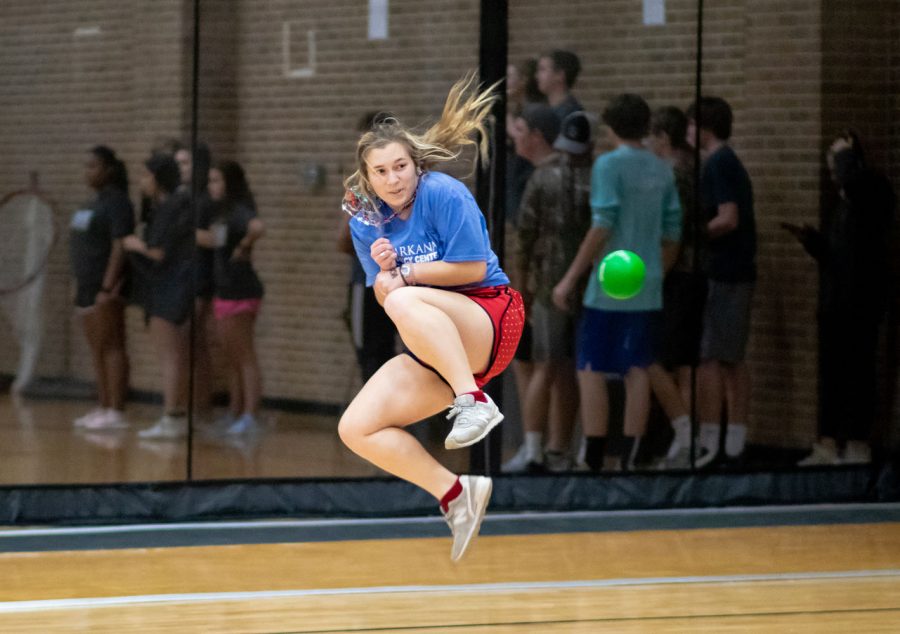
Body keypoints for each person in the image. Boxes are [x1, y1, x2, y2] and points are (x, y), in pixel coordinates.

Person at [337, 74, 525, 562]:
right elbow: (385, 295)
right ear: (367, 176)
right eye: (381, 171)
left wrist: (403, 274)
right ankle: (456, 493)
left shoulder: (443, 193)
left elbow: (472, 267)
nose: (393, 178)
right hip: (438, 346)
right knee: (356, 428)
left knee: (403, 299)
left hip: (489, 316)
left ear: (416, 166)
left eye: (401, 166)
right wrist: (383, 276)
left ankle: (473, 400)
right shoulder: (365, 219)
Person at [552, 94, 681, 472]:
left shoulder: (608, 165)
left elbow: (602, 223)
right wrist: (657, 270)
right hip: (648, 278)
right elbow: (673, 230)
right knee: (637, 365)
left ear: (610, 128)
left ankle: (594, 452)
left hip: (611, 278)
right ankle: (633, 451)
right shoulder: (662, 169)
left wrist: (569, 278)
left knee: (590, 364)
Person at [787, 132, 895, 465]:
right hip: (836, 301)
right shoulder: (844, 206)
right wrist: (814, 243)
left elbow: (864, 252)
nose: (833, 171)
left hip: (861, 302)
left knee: (859, 374)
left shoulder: (874, 191)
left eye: (837, 163)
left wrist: (846, 154)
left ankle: (857, 442)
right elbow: (839, 256)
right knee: (833, 376)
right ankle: (829, 442)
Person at [503, 107, 592, 473]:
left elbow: (524, 237)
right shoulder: (598, 176)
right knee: (573, 368)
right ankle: (561, 449)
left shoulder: (543, 178)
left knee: (544, 366)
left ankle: (535, 448)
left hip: (545, 285)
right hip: (590, 286)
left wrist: (520, 288)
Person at [687, 97, 757, 466]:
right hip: (734, 270)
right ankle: (732, 441)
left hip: (726, 271)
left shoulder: (718, 163)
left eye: (692, 124)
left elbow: (728, 217)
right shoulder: (724, 163)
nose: (688, 132)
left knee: (714, 357)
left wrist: (692, 234)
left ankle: (716, 442)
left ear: (704, 126)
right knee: (728, 357)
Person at [646, 106, 706, 467]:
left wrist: (658, 276)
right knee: (682, 362)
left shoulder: (676, 173)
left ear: (663, 138)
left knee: (652, 358)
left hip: (677, 276)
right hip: (687, 275)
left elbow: (674, 234)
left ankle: (687, 433)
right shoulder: (690, 169)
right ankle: (686, 439)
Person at [123, 153, 194, 440]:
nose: (142, 182)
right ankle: (174, 414)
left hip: (169, 287)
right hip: (165, 287)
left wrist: (134, 244)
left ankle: (172, 415)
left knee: (170, 356)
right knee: (172, 354)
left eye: (146, 175)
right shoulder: (166, 207)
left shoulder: (172, 208)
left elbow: (158, 252)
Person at [198, 160, 266, 435]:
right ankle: (235, 410)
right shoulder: (220, 214)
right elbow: (212, 241)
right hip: (224, 289)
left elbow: (258, 226)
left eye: (216, 180)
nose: (212, 186)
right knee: (231, 356)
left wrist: (244, 245)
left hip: (241, 289)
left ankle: (250, 415)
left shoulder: (239, 210)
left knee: (244, 354)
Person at [69, 146, 134, 430]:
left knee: (112, 345)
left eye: (93, 166)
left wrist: (108, 284)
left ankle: (117, 409)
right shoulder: (91, 203)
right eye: (86, 166)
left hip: (103, 286)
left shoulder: (118, 202)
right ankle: (103, 405)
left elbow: (120, 244)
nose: (87, 172)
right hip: (85, 284)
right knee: (96, 348)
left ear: (108, 169)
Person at [337, 112, 398, 383]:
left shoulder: (364, 186)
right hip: (406, 281)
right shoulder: (413, 181)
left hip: (370, 282)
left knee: (371, 359)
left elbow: (343, 239)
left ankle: (380, 422)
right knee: (393, 356)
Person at [175, 142, 216, 422]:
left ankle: (200, 407)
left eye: (186, 163)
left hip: (200, 278)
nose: (181, 169)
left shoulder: (204, 201)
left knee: (195, 344)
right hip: (182, 278)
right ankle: (191, 406)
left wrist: (179, 232)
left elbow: (211, 238)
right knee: (188, 345)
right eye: (178, 163)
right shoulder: (182, 198)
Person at [535, 50, 583, 121]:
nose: (536, 76)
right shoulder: (541, 109)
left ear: (560, 75)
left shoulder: (572, 116)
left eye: (542, 69)